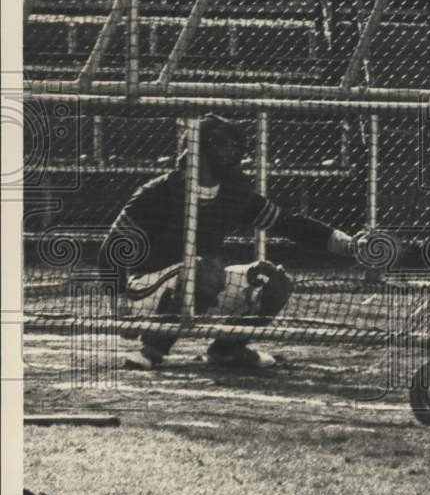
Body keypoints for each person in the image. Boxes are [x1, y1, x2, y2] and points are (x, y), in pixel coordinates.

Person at [100, 113, 357, 371]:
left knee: (272, 280)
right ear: (201, 149)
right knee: (204, 269)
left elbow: (290, 224)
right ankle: (152, 350)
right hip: (145, 288)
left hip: (202, 279)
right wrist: (118, 300)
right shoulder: (160, 192)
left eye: (235, 148)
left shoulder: (234, 192)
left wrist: (351, 246)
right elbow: (112, 249)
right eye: (225, 146)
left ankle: (227, 350)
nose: (233, 154)